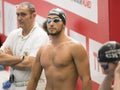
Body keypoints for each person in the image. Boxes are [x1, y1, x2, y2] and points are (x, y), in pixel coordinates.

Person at [27, 8, 92, 90]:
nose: (51, 24)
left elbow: (86, 79)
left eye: (56, 21)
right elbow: (34, 79)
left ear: (64, 24)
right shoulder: (43, 49)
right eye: (48, 21)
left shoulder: (75, 47)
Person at [0, 2, 49, 90]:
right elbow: (0, 58)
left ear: (33, 16)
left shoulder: (41, 36)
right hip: (13, 85)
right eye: (17, 14)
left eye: (23, 15)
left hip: (33, 86)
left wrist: (10, 58)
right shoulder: (14, 34)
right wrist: (21, 58)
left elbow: (30, 64)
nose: (19, 18)